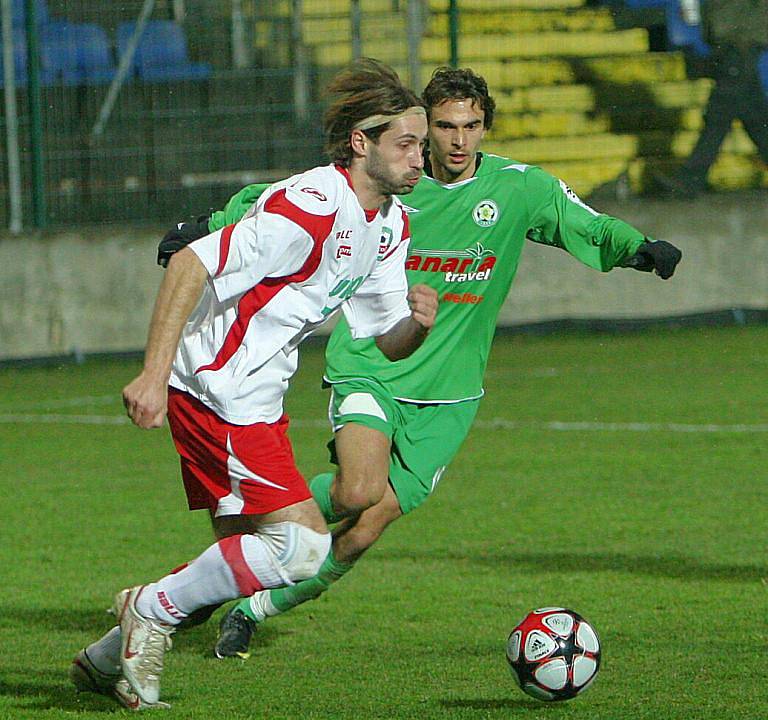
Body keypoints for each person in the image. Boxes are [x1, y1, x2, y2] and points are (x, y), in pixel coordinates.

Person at [153, 67, 683, 662]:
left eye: (472, 126)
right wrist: (210, 224)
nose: (459, 140)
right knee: (358, 487)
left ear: (486, 128)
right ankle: (242, 549)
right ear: (423, 128)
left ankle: (251, 608)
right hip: (374, 361)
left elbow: (581, 222)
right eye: (446, 126)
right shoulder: (394, 184)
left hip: (451, 391)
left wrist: (637, 248)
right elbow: (280, 202)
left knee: (365, 527)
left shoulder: (518, 189)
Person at [69, 58, 438, 710]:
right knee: (301, 548)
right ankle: (145, 608)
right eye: (406, 143)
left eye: (422, 145)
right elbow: (190, 262)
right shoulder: (311, 209)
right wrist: (153, 376)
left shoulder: (387, 224)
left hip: (254, 396)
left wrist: (418, 323)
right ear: (362, 142)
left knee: (244, 555)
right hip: (216, 388)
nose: (419, 157)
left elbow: (385, 336)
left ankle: (106, 660)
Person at [656, 0, 768, 197]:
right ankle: (689, 181)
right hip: (735, 41)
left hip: (740, 42)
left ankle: (689, 181)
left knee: (719, 116)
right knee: (755, 118)